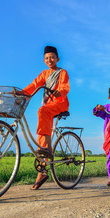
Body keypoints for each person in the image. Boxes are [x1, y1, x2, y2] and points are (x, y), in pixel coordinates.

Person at [17, 46, 70, 190]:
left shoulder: (62, 72)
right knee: (41, 135)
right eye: (46, 58)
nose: (49, 60)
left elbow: (65, 86)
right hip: (48, 105)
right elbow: (35, 85)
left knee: (42, 112)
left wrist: (60, 92)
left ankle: (48, 148)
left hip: (59, 103)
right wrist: (21, 93)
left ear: (57, 59)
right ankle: (42, 171)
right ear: (44, 60)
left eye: (52, 57)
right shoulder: (44, 73)